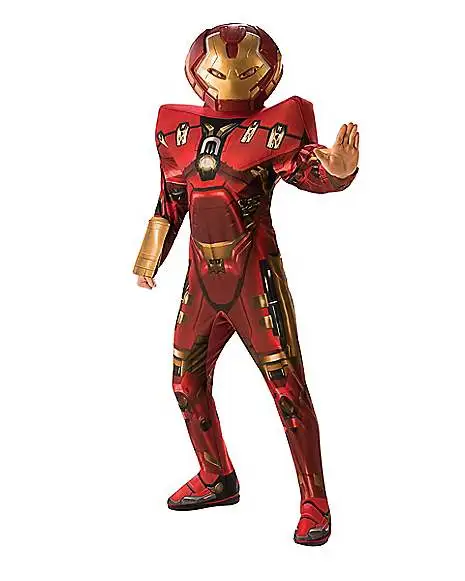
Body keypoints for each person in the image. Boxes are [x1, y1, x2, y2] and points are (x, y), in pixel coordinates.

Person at [134, 23, 359, 545]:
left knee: (287, 389)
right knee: (185, 383)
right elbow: (171, 198)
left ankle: (315, 502)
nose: (231, 75)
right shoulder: (176, 131)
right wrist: (149, 256)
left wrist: (339, 173)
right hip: (201, 280)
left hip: (255, 278)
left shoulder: (274, 129)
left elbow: (306, 170)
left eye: (244, 68)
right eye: (220, 66)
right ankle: (216, 475)